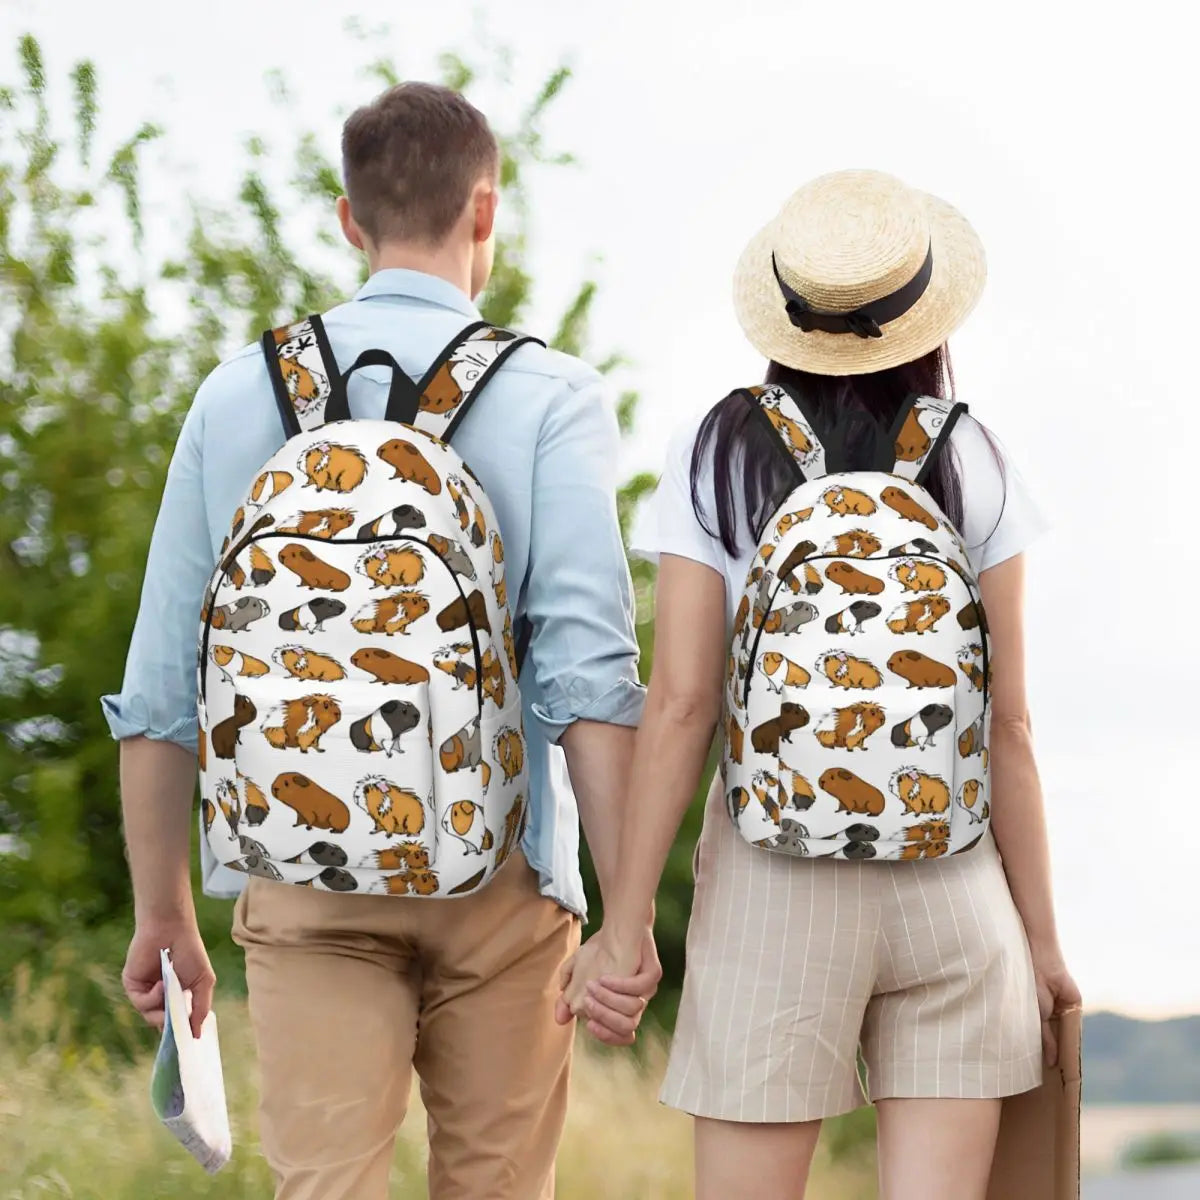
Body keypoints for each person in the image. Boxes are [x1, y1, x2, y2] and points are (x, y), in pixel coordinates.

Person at [103, 81, 660, 1200]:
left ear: (349, 219)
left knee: (325, 1185)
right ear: (485, 210)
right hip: (503, 876)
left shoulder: (236, 395)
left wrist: (163, 913)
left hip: (300, 867)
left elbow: (163, 684)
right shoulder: (551, 395)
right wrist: (627, 914)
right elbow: (589, 680)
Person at [560, 169, 1081, 1200]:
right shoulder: (972, 455)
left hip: (774, 886)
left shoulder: (719, 451)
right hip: (954, 885)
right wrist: (1043, 943)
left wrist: (625, 924)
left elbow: (681, 704)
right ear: (926, 314)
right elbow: (1010, 725)